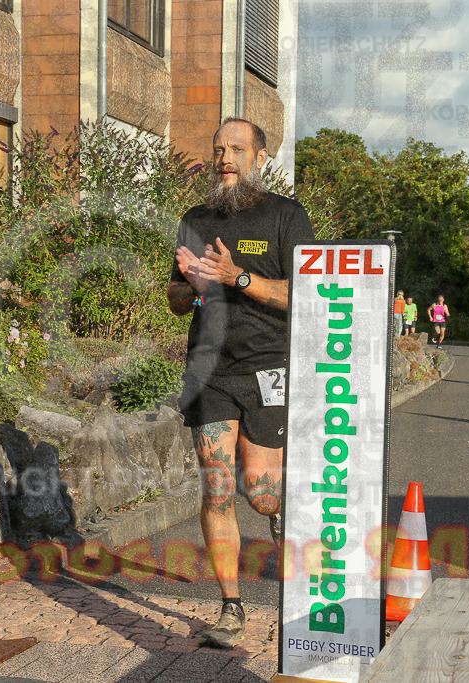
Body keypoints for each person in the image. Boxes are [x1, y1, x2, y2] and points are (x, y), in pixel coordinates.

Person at [168, 117, 314, 649]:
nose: (224, 158)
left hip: (270, 365)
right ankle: (231, 608)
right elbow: (175, 301)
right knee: (217, 481)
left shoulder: (285, 216)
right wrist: (193, 285)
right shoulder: (195, 219)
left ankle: (285, 521)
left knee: (261, 492)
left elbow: (306, 295)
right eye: (217, 149)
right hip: (210, 369)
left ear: (260, 155)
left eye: (236, 148)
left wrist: (237, 278)